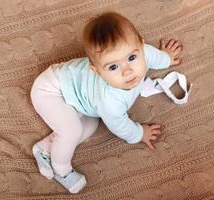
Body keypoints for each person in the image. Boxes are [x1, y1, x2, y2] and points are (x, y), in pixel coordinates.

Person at [30, 11, 182, 193]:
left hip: (77, 95)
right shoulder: (110, 101)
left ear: (141, 47)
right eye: (113, 67)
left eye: (132, 58)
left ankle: (45, 148)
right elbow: (120, 126)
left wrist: (166, 58)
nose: (127, 71)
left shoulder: (144, 53)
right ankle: (61, 169)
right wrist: (139, 133)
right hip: (50, 91)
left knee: (92, 123)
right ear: (97, 71)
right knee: (72, 130)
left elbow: (152, 56)